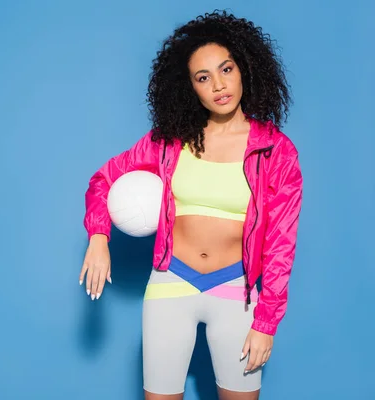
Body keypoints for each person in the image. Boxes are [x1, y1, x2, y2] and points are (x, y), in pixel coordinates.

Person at [79, 10, 303, 400]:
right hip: (171, 285)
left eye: (226, 69)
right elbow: (104, 180)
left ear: (245, 70)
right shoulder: (168, 141)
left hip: (237, 291)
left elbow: (281, 246)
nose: (218, 85)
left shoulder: (275, 151)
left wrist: (266, 323)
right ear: (190, 88)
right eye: (203, 78)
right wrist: (99, 236)